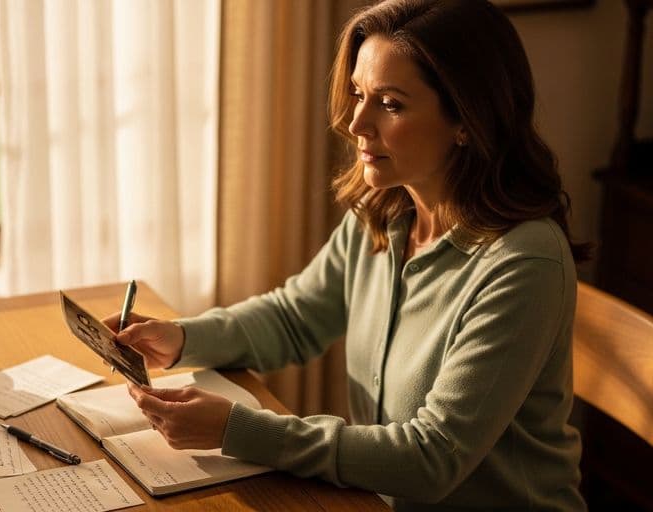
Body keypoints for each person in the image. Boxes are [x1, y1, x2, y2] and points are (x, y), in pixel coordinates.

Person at [104, 0, 590, 509]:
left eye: (391, 103)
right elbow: (295, 318)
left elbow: (432, 457)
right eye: (359, 93)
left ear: (467, 119)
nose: (356, 122)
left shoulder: (522, 263)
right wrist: (180, 338)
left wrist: (237, 429)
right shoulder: (384, 211)